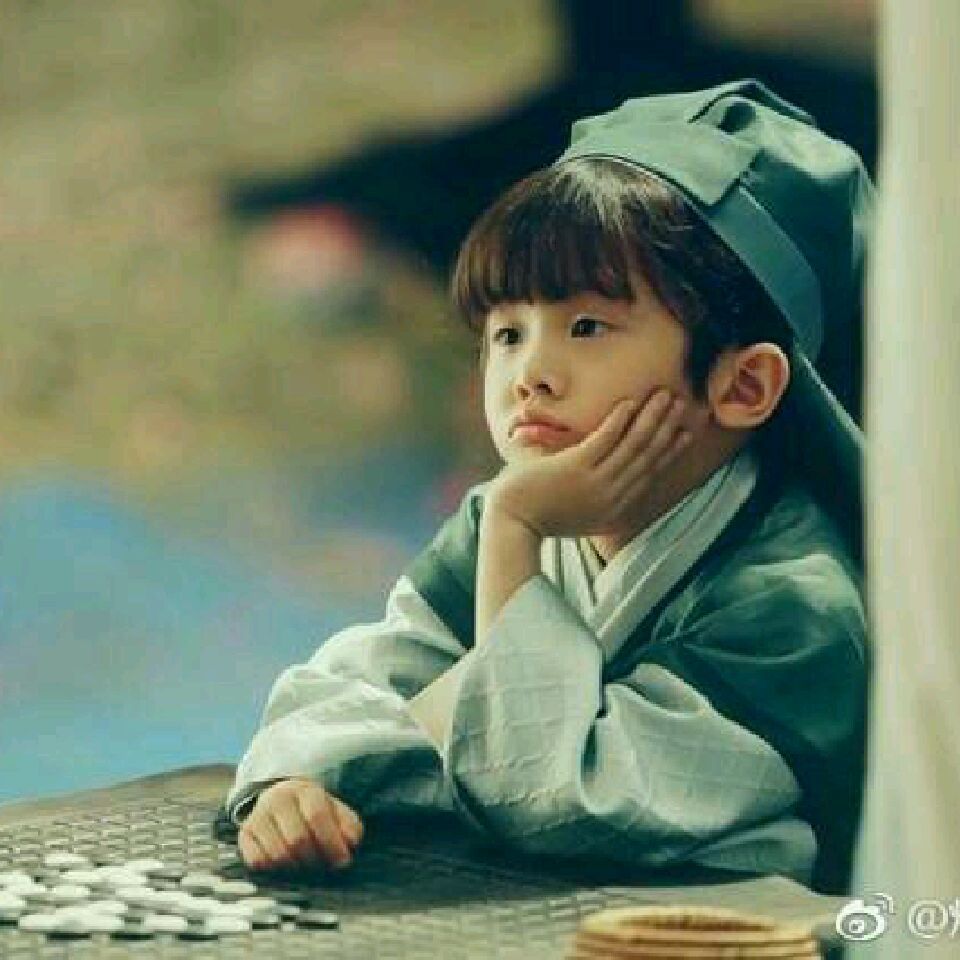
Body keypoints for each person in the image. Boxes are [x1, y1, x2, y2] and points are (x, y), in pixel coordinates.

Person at [223, 79, 871, 895]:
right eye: (506, 332)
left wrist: (514, 534)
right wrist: (301, 782)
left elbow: (550, 799)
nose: (529, 373)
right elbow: (376, 681)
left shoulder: (790, 609)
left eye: (586, 327)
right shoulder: (516, 519)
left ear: (743, 385)